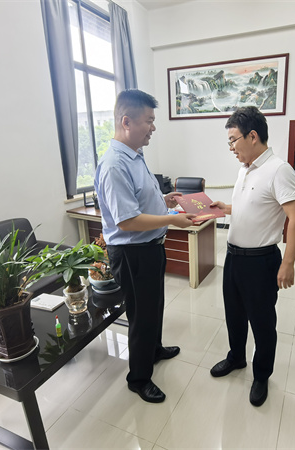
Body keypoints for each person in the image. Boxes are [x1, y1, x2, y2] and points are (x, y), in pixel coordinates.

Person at [94, 89, 195, 403]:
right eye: (148, 121)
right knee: (141, 314)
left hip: (150, 247)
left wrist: (163, 201)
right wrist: (172, 220)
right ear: (127, 122)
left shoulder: (135, 155)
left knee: (154, 306)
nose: (153, 127)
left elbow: (138, 199)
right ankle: (138, 378)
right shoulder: (114, 165)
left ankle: (154, 350)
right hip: (132, 252)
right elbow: (127, 221)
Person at [210, 106, 295, 406]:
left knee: (262, 323)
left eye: (233, 140)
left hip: (260, 261)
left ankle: (261, 374)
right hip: (233, 258)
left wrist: (288, 263)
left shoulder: (279, 170)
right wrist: (225, 208)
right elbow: (253, 205)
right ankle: (236, 357)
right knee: (234, 314)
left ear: (253, 136)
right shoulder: (246, 168)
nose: (231, 147)